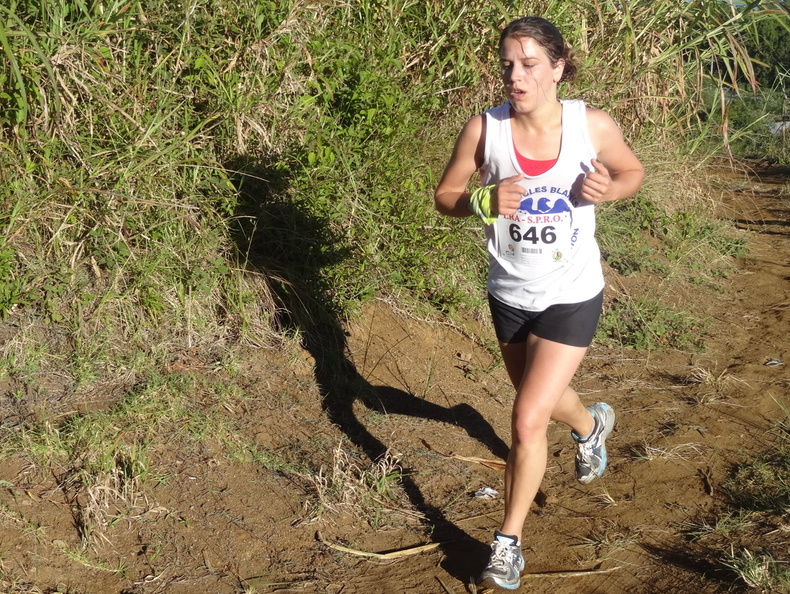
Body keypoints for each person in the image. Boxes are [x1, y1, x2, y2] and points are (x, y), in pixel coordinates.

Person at [433, 16, 644, 591]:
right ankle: (590, 425)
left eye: (528, 64)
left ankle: (507, 545)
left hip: (572, 293)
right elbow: (445, 195)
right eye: (507, 64)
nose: (515, 75)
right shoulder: (485, 129)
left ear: (558, 67)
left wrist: (611, 188)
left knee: (527, 417)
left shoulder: (590, 125)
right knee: (543, 402)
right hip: (509, 293)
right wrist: (482, 201)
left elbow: (632, 171)